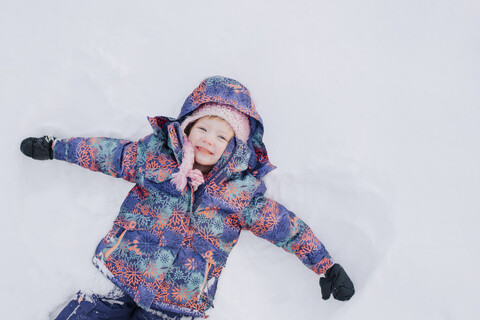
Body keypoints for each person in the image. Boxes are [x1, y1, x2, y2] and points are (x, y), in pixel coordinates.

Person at [20, 76, 354, 320]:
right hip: (119, 274)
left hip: (178, 302)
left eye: (222, 136)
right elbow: (106, 153)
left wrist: (326, 266)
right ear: (187, 128)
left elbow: (285, 227)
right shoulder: (155, 158)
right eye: (203, 129)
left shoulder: (241, 195)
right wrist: (55, 148)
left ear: (235, 147)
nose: (210, 140)